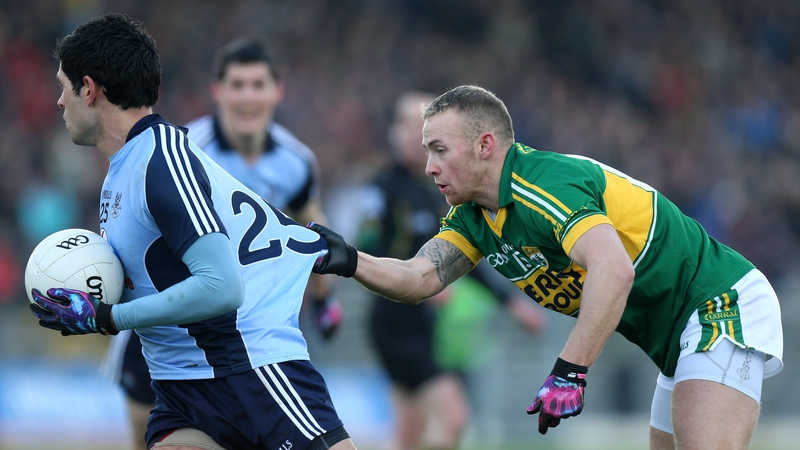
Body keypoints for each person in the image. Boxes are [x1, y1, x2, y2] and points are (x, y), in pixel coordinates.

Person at [308, 84, 784, 449]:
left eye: (439, 149)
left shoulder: (545, 187)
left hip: (719, 302)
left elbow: (614, 271)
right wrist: (351, 260)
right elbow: (418, 278)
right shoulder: (474, 217)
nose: (430, 166)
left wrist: (569, 371)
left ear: (485, 145)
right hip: (675, 339)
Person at [29, 13, 356, 450]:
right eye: (237, 85)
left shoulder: (168, 158)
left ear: (89, 89)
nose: (58, 102)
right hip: (181, 377)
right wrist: (92, 301)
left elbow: (229, 280)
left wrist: (108, 316)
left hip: (246, 361)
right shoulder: (134, 165)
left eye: (63, 88)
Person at [355, 91, 545, 450]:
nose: (416, 135)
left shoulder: (437, 193)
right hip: (396, 324)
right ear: (395, 131)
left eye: (424, 126)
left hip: (424, 327)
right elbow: (368, 251)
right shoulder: (381, 190)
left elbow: (461, 258)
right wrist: (420, 284)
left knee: (410, 430)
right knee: (453, 418)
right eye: (409, 124)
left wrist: (511, 303)